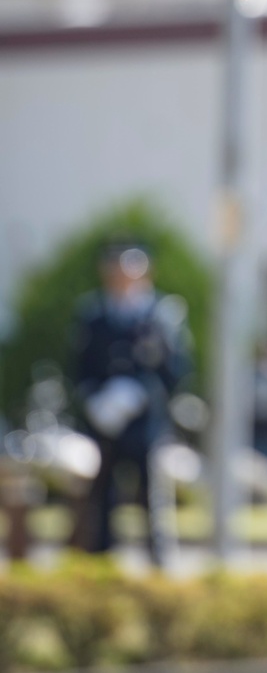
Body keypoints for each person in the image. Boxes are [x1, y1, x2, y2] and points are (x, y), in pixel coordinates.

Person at [71, 241, 190, 566]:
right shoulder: (95, 315)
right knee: (100, 496)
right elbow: (81, 367)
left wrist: (142, 390)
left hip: (146, 421)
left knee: (152, 496)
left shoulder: (161, 313)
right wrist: (95, 399)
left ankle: (160, 562)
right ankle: (98, 563)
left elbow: (176, 370)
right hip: (105, 421)